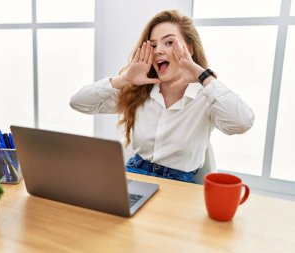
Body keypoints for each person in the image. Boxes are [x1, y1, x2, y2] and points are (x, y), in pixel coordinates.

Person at [70, 10, 254, 183]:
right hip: (135, 175)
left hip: (181, 187)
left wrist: (202, 76)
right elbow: (79, 103)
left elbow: (242, 122)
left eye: (169, 42)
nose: (158, 50)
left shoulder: (206, 97)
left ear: (189, 50)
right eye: (153, 45)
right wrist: (124, 79)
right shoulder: (139, 92)